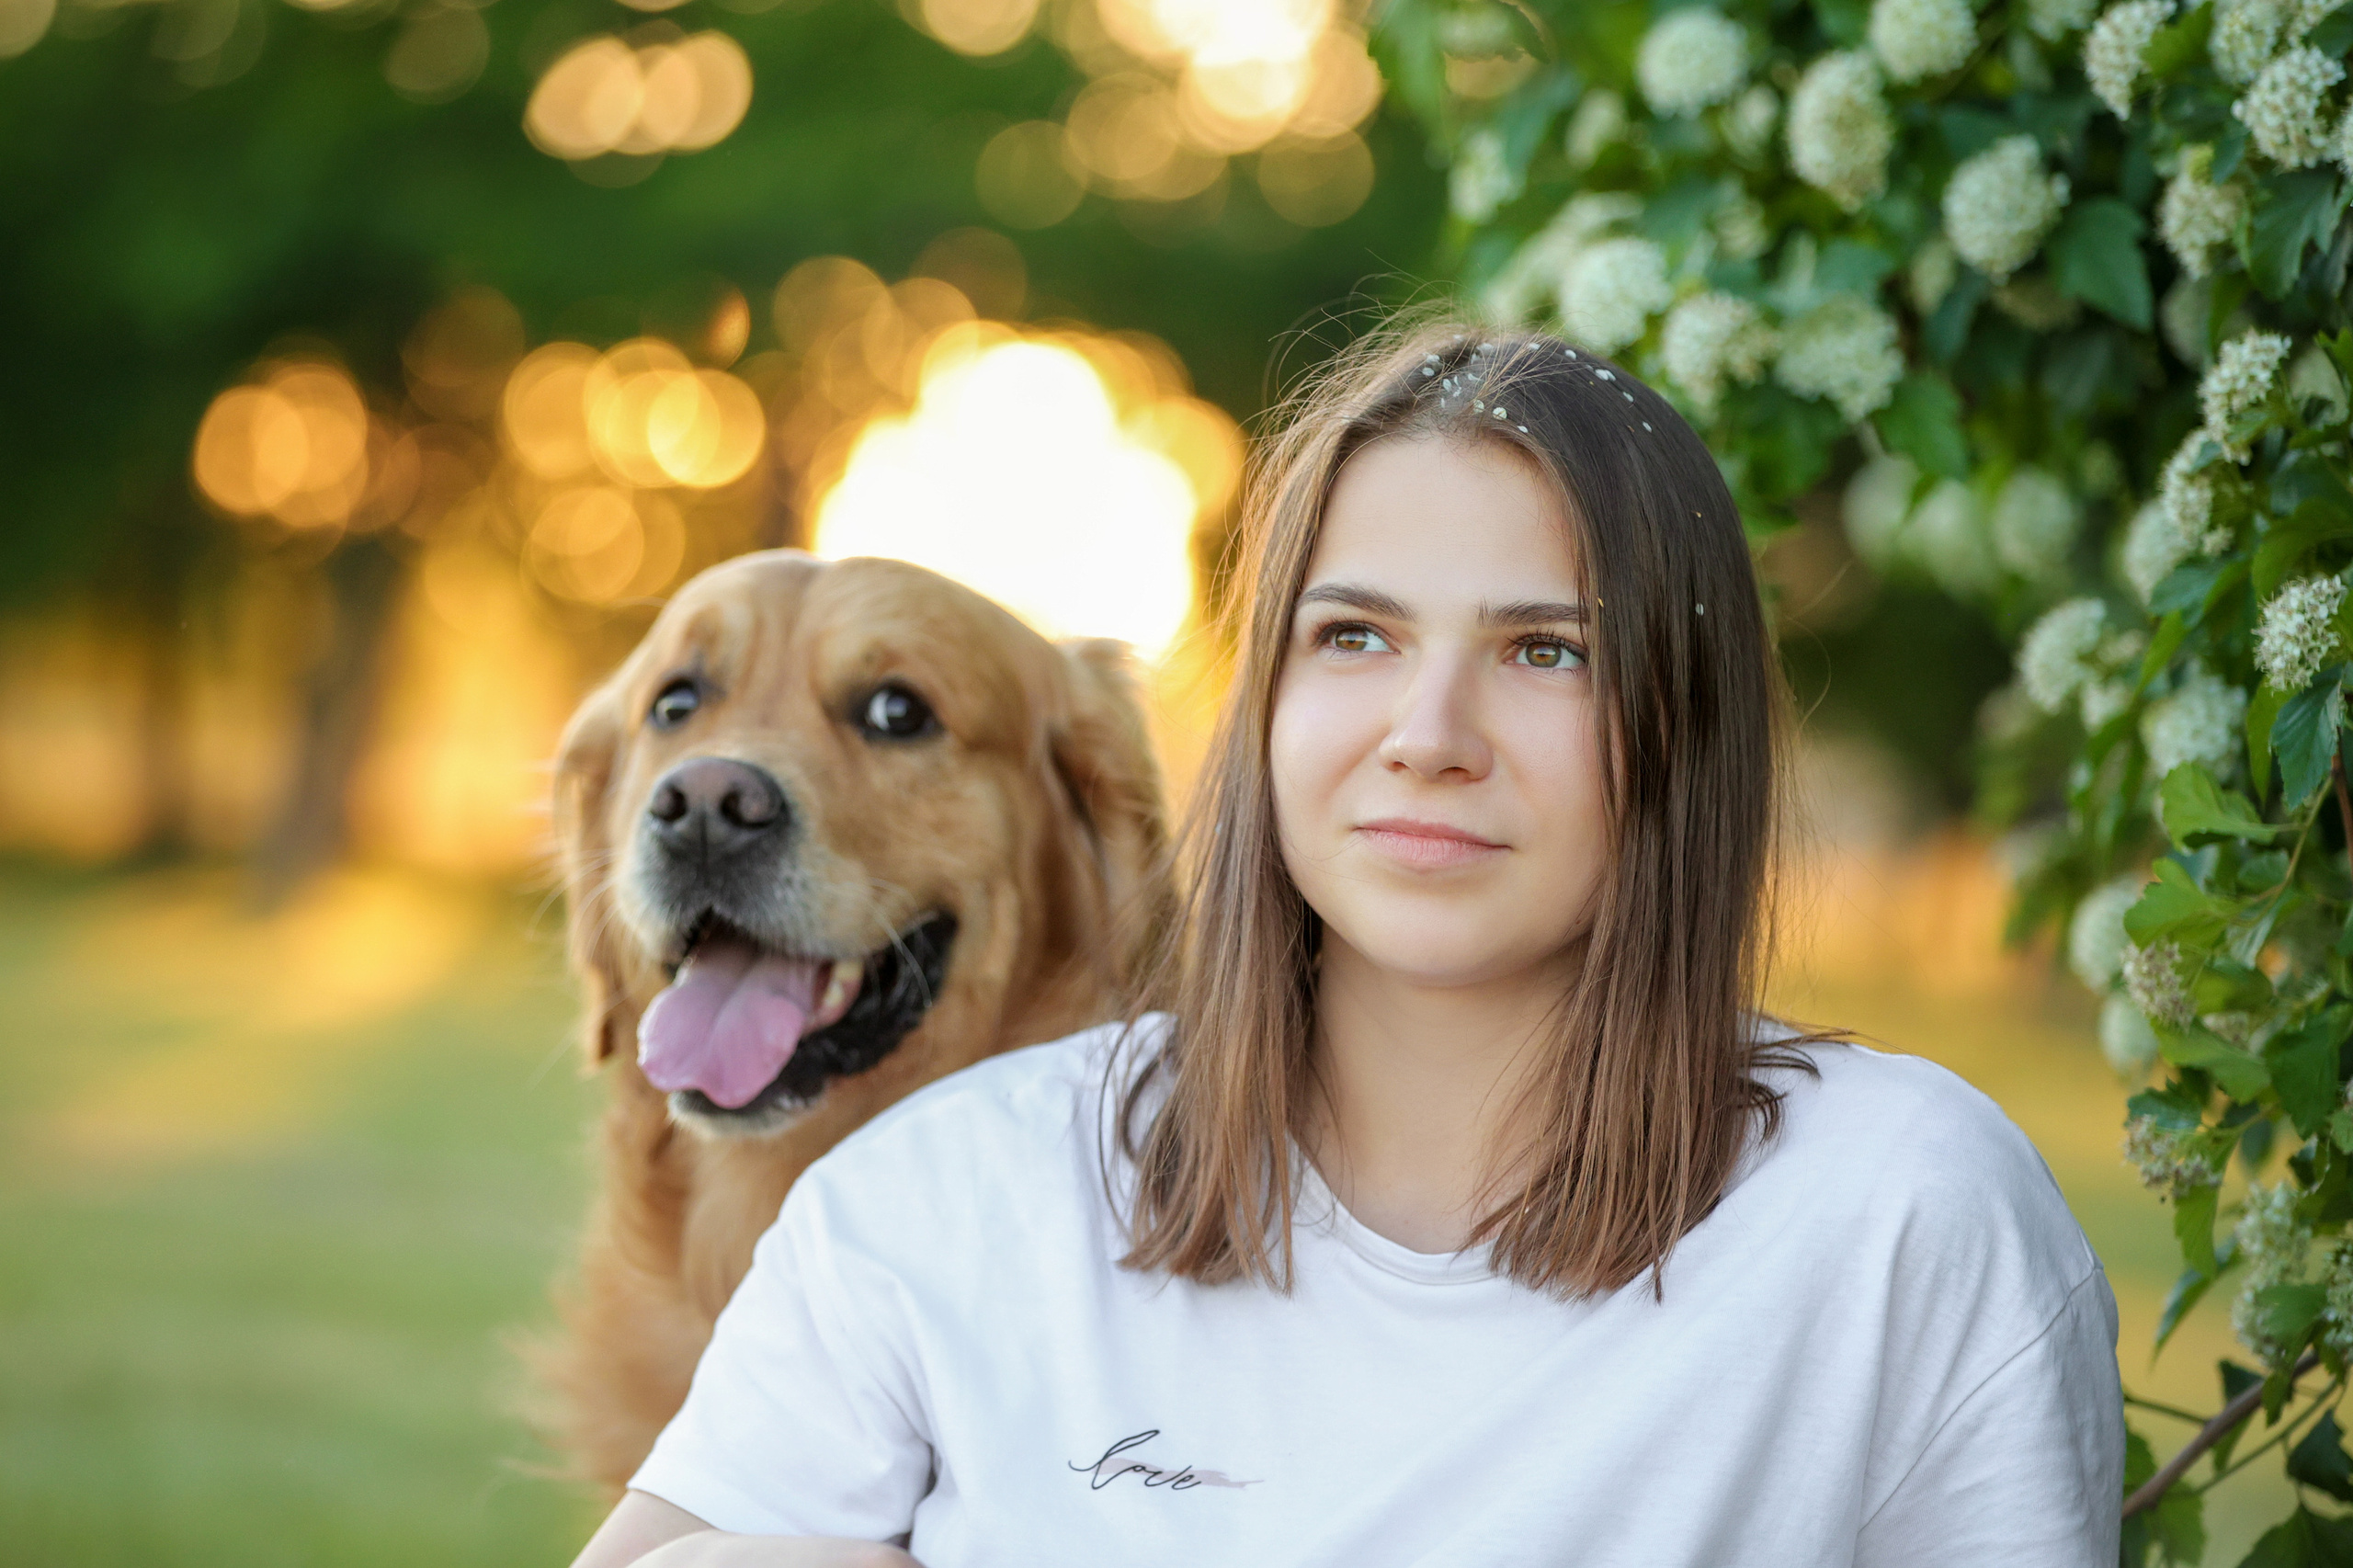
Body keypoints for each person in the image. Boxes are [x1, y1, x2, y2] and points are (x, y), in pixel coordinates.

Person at [569, 322, 2123, 1568]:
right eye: (1356, 636)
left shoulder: (1903, 1215)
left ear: (1683, 729)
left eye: (1545, 650)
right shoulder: (938, 1205)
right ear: (1265, 714)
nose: (1427, 734)